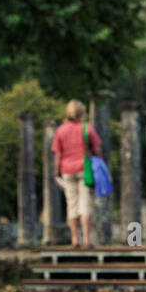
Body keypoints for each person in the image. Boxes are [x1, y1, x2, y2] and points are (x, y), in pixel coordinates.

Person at [51, 100, 102, 249]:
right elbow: (98, 149)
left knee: (71, 205)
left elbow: (57, 154)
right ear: (82, 113)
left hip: (67, 171)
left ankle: (75, 240)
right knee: (85, 205)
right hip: (84, 169)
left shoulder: (61, 130)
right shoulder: (87, 128)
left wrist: (55, 173)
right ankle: (86, 239)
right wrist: (100, 164)